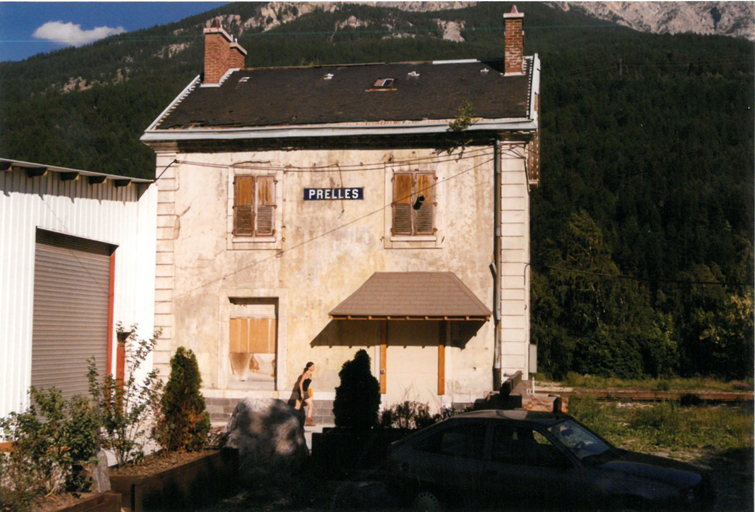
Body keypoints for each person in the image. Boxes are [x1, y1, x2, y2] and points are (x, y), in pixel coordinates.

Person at [295, 362, 315, 426]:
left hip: (305, 391)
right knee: (298, 407)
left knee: (310, 405)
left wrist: (309, 392)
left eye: (314, 366)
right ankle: (287, 417)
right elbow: (300, 383)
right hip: (301, 391)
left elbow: (306, 385)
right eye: (312, 366)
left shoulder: (310, 374)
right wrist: (301, 393)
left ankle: (308, 421)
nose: (313, 368)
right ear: (309, 367)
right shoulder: (305, 374)